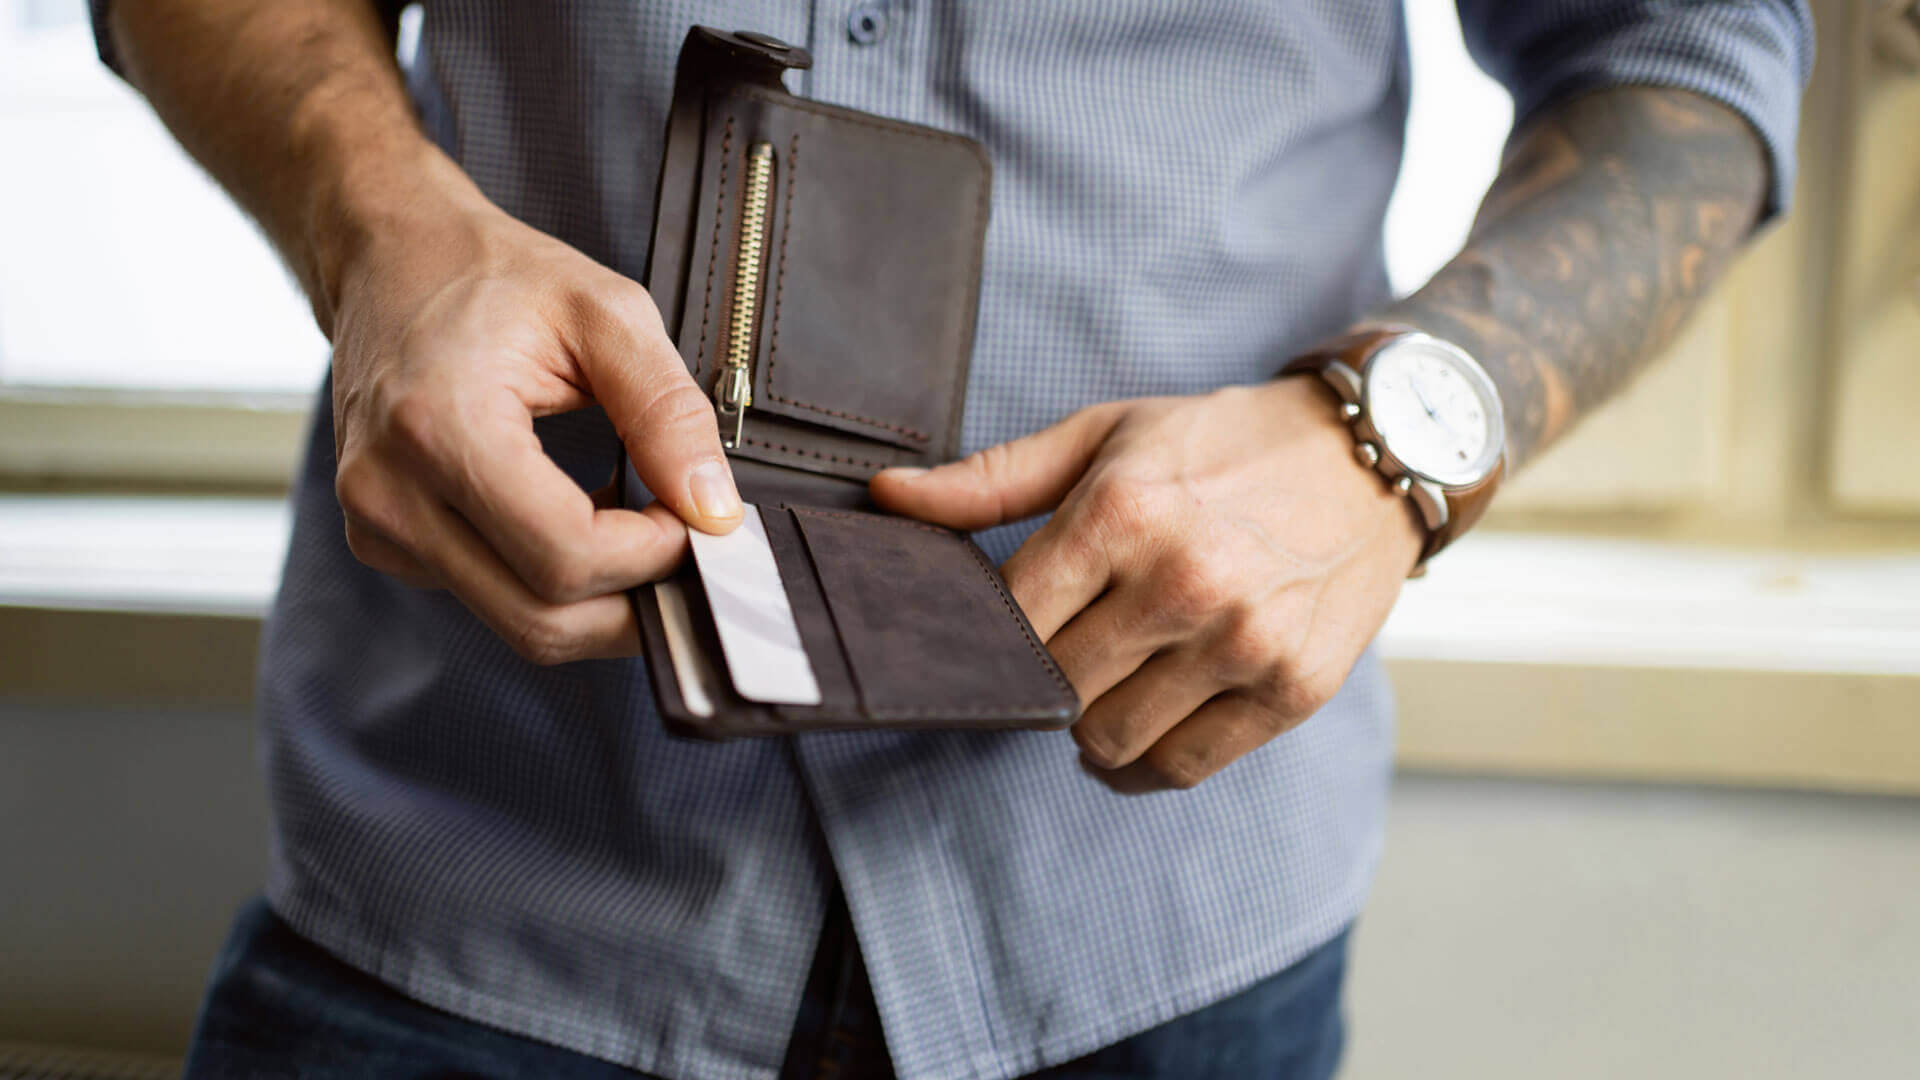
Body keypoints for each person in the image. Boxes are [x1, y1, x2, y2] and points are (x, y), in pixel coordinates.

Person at [92, 2, 1811, 1078]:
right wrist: (377, 233)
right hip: (484, 870)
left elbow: (1691, 48)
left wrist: (1394, 444)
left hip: (1164, 927)